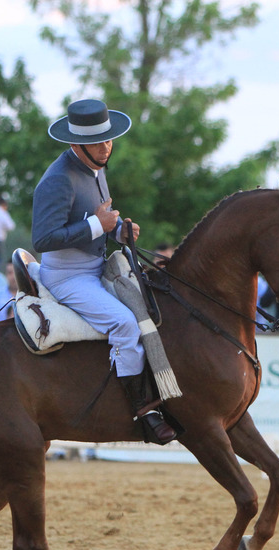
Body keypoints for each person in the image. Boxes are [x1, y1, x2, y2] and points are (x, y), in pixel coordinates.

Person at [32, 98, 175, 444]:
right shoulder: (57, 180)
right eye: (97, 141)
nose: (106, 147)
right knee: (125, 324)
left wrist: (117, 231)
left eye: (109, 139)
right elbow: (44, 238)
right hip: (66, 277)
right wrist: (100, 224)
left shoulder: (95, 170)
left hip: (95, 267)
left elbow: (94, 220)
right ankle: (144, 412)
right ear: (75, 143)